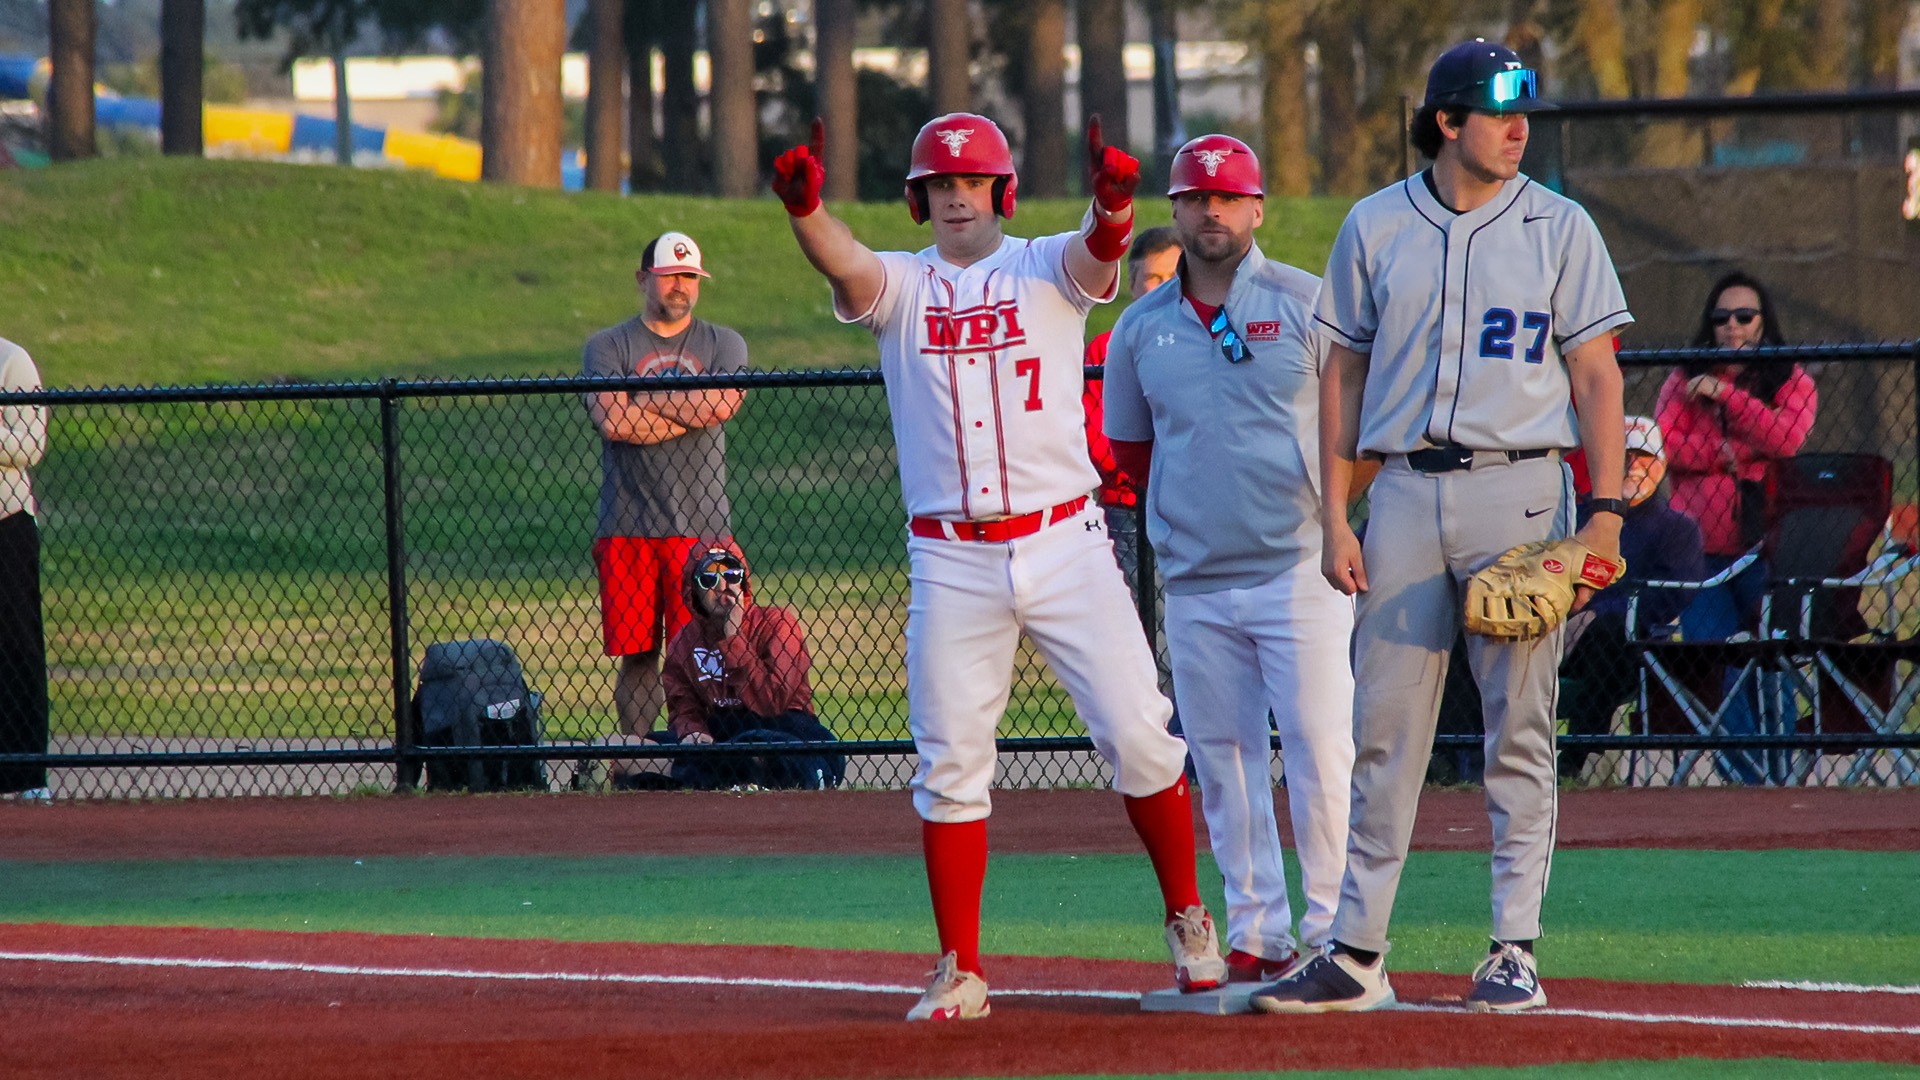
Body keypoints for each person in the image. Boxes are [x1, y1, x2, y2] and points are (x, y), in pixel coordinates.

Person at [770, 113, 1227, 1021]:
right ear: (919, 199)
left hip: (1066, 542)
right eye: (940, 184)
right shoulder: (902, 285)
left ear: (1002, 191)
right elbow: (844, 263)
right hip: (951, 557)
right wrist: (805, 210)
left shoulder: (1044, 263)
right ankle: (961, 968)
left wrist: (1114, 202)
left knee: (1142, 735)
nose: (955, 196)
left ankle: (1187, 916)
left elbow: (1100, 252)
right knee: (951, 764)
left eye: (971, 182)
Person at [1256, 40, 1631, 1015]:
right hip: (1404, 498)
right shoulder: (1376, 223)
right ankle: (1356, 952)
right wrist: (1335, 515)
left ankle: (1514, 951)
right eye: (1498, 111)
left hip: (1522, 491)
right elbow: (1341, 373)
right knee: (1383, 730)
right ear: (1447, 121)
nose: (1518, 128)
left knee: (1519, 729)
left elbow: (1597, 375)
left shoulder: (1560, 225)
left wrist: (1604, 515)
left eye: (1523, 112)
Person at [1099, 135, 1355, 984]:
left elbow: (1355, 431)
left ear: (1256, 209)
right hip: (1198, 580)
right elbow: (1132, 450)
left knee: (1321, 753)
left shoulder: (1308, 302)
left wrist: (1335, 523)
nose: (1211, 210)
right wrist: (1187, 518)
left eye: (1228, 197)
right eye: (1196, 197)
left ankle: (1334, 934)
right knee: (1225, 763)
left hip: (1301, 568)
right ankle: (1257, 932)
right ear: (1174, 209)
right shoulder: (1138, 328)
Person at [583, 231, 747, 743]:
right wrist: (688, 406)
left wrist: (645, 397)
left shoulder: (724, 343)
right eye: (670, 275)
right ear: (643, 279)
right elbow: (614, 422)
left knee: (707, 648)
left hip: (704, 530)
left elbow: (722, 405)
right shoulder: (609, 346)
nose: (681, 285)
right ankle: (637, 756)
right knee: (638, 655)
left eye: (690, 277)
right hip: (629, 526)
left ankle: (701, 754)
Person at [1656, 271, 1815, 783]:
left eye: (1744, 317)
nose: (1732, 327)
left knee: (1770, 661)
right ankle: (1746, 780)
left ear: (1763, 322)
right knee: (1719, 663)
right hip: (1700, 552)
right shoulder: (1683, 378)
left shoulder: (1790, 378)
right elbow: (1664, 446)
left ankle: (1778, 771)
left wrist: (1727, 398)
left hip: (1764, 549)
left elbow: (1786, 440)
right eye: (1722, 318)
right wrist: (1729, 453)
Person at [1557, 416, 1706, 780]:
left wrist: (1596, 613)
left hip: (1630, 645)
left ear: (1662, 465)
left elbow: (1672, 596)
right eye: (1624, 456)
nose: (1634, 465)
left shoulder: (1677, 528)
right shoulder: (1579, 516)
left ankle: (1576, 757)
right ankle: (1457, 754)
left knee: (1611, 630)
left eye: (1645, 457)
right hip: (1561, 629)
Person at [660, 543, 844, 790]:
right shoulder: (684, 642)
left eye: (732, 574)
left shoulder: (778, 624)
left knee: (756, 745)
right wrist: (692, 731)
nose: (723, 585)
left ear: (743, 582)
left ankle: (716, 772)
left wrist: (733, 639)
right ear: (693, 590)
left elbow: (772, 702)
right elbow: (683, 705)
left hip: (783, 726)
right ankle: (723, 770)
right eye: (709, 579)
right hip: (722, 731)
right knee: (627, 748)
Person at [1083, 226, 1181, 596]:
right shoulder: (1107, 349)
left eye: (1174, 276)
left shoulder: (1205, 341)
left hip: (1192, 507)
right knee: (1142, 606)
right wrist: (1157, 467)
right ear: (1133, 284)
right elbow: (1099, 440)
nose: (1166, 286)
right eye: (1155, 278)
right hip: (1126, 509)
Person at [0, 335, 49, 802]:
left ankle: (28, 776)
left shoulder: (11, 361)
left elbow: (31, 443)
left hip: (6, 524)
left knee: (17, 647)